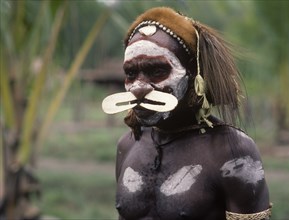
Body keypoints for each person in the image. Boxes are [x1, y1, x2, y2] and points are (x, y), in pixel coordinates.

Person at [102, 7, 271, 220]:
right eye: (131, 74)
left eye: (157, 71)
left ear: (194, 75)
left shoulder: (231, 151)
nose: (139, 87)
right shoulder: (128, 145)